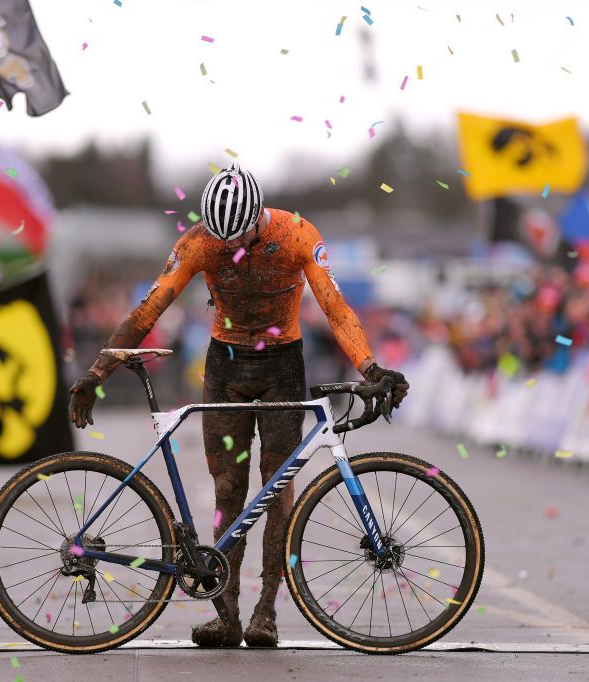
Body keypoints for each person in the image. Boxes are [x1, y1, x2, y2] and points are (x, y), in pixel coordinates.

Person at [68, 164, 409, 648]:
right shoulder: (198, 243)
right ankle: (226, 615)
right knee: (229, 492)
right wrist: (97, 371)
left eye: (240, 237)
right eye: (221, 240)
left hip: (281, 366)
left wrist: (371, 369)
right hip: (225, 366)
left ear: (258, 217)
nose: (232, 248)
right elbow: (149, 308)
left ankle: (266, 612)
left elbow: (334, 306)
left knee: (277, 491)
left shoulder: (296, 234)